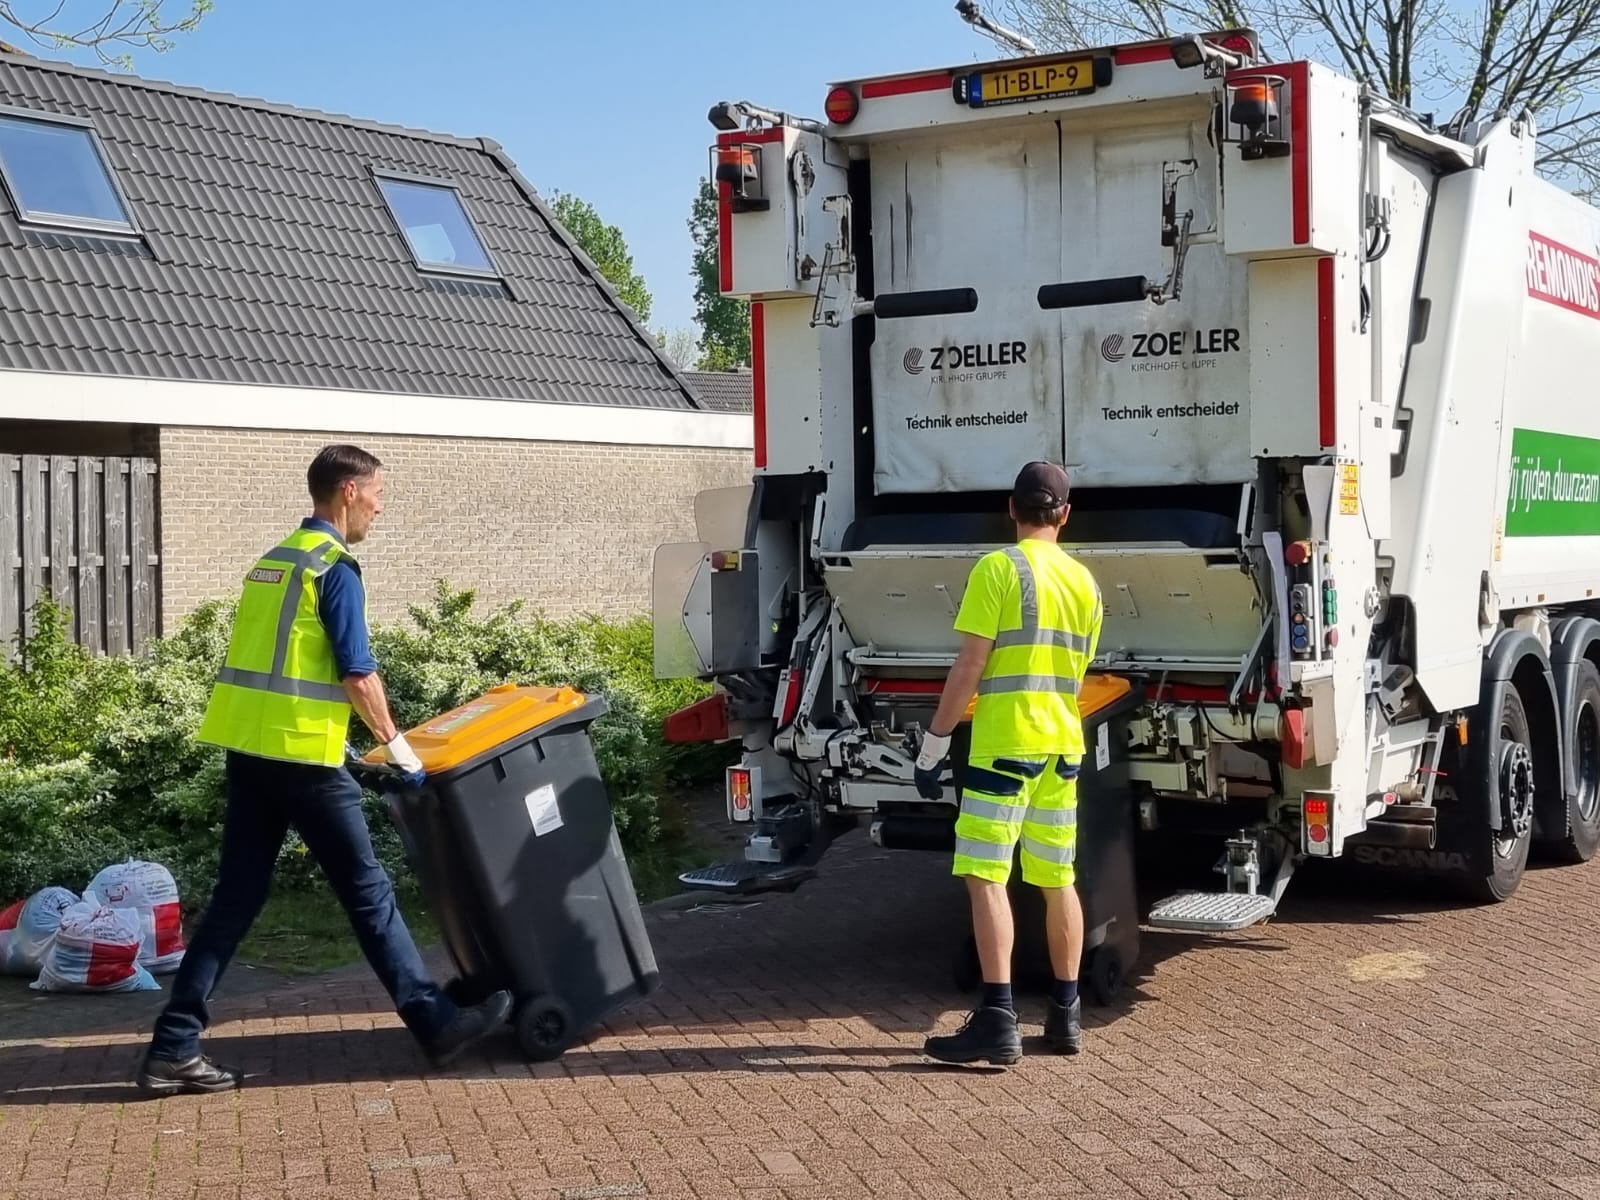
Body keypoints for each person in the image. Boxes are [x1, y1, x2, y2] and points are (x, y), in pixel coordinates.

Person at [136, 444, 510, 1095]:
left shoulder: (273, 563)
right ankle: (435, 1023)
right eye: (377, 493)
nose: (380, 505)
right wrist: (399, 751)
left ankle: (173, 1046)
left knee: (235, 900)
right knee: (369, 895)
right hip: (303, 761)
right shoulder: (333, 567)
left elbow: (280, 671)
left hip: (252, 753)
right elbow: (356, 672)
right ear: (347, 492)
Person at [913, 460, 1103, 1066]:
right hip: (1062, 745)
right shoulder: (1085, 584)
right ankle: (1065, 1016)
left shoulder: (999, 568)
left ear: (1011, 508)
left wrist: (936, 740)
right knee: (1056, 877)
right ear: (1065, 515)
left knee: (986, 873)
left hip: (1005, 743)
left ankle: (997, 1018)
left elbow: (970, 665)